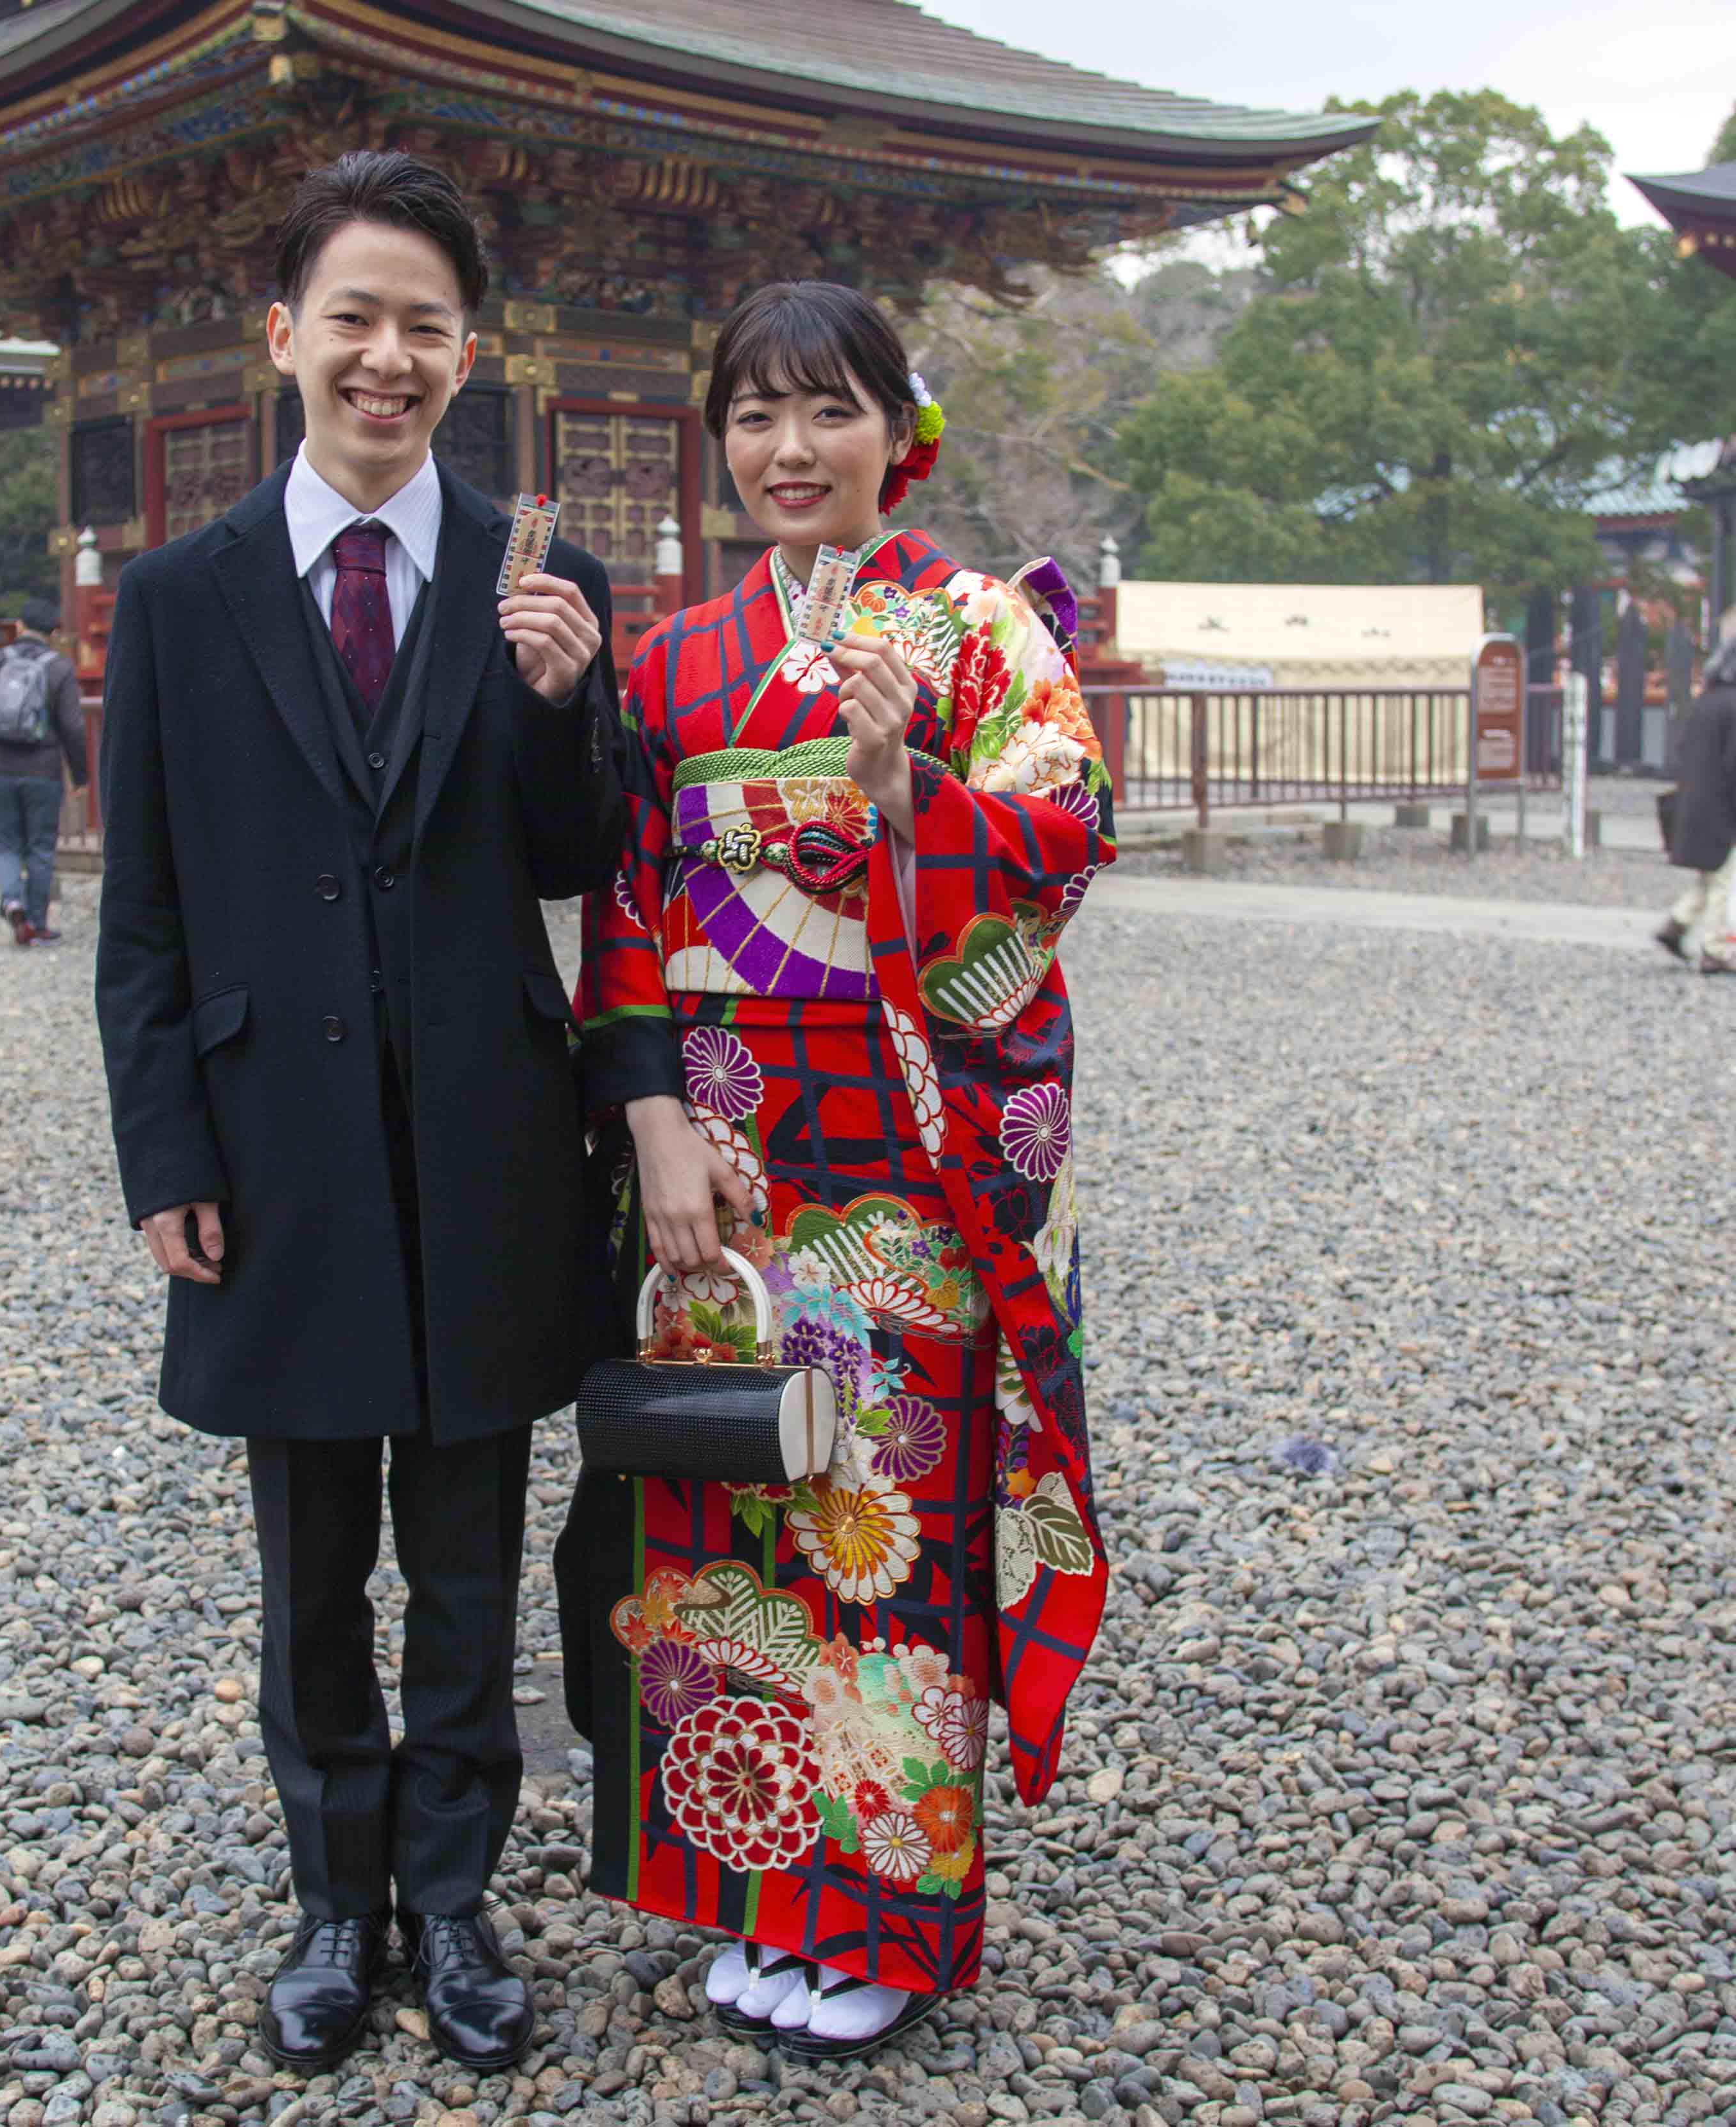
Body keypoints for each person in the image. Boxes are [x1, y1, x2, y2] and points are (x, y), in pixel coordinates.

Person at [96, 149, 619, 2078]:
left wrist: (571, 705)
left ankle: (457, 1892)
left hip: (489, 1128)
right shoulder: (181, 595)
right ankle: (338, 1892)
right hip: (275, 1149)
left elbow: (583, 857)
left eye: (422, 326)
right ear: (282, 340)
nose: (384, 358)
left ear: (466, 354)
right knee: (311, 1554)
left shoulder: (543, 574)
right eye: (352, 320)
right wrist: (165, 1152)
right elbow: (139, 907)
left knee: (467, 1546)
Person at [554, 280, 1119, 2061]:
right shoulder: (674, 659)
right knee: (727, 1506)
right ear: (716, 440)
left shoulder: (976, 627)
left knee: (885, 1518)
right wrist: (647, 1116)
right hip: (728, 1145)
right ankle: (748, 1879)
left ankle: (882, 1902)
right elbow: (634, 901)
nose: (787, 451)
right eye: (753, 415)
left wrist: (897, 793)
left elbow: (1062, 834)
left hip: (900, 1140)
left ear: (899, 432)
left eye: (828, 412)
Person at [0, 596, 89, 945]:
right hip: (43, 771)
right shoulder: (59, 668)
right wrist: (80, 775)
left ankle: (12, 900)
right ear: (53, 633)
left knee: (6, 846)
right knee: (41, 848)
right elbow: (73, 727)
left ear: (18, 627)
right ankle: (37, 923)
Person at [1657, 629, 1736, 976]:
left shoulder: (1705, 701)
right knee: (1724, 878)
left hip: (1696, 797)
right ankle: (1715, 949)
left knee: (1713, 872)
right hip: (1724, 802)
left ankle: (1676, 925)